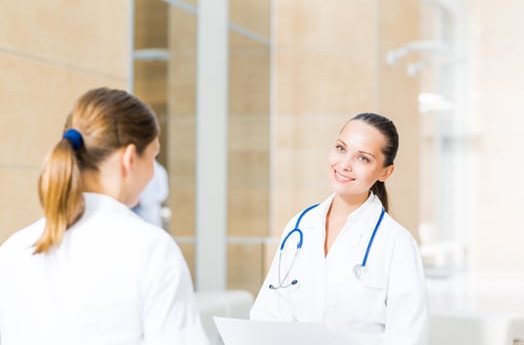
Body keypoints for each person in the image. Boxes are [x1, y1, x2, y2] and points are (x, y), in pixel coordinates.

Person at [0, 88, 208, 345]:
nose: (154, 172)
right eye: (153, 156)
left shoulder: (14, 249)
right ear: (130, 158)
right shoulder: (152, 250)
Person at [250, 112, 428, 344]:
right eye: (341, 148)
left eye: (362, 158)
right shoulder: (300, 226)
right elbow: (267, 314)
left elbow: (408, 338)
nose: (344, 164)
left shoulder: (396, 243)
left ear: (386, 172)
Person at [133, 159, 170, 229]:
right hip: (134, 212)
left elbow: (163, 193)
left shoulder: (159, 171)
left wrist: (142, 201)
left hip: (150, 214)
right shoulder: (135, 168)